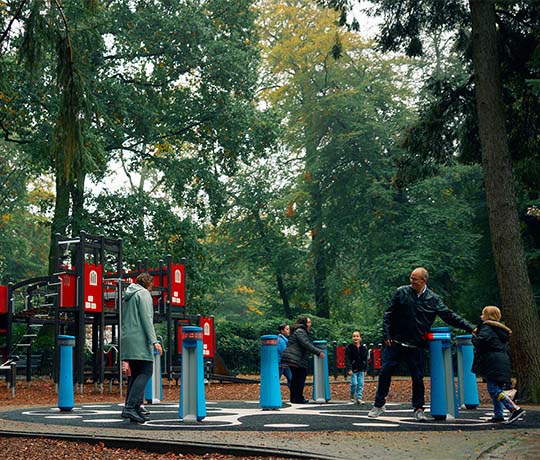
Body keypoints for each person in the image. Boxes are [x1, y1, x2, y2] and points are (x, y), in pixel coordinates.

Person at [368, 267, 475, 421]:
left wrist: (471, 327)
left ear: (424, 281)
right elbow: (388, 314)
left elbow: (449, 316)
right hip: (395, 341)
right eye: (410, 278)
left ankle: (418, 409)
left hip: (416, 344)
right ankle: (378, 404)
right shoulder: (401, 292)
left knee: (417, 377)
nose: (411, 281)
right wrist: (386, 334)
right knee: (386, 370)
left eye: (414, 279)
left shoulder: (433, 299)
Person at [120, 272, 163, 423]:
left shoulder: (128, 295)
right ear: (148, 283)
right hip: (140, 338)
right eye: (152, 285)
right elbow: (147, 318)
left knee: (136, 372)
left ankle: (134, 407)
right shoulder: (143, 294)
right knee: (146, 371)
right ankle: (131, 407)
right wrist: (154, 340)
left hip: (128, 337)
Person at [472, 306, 525, 424]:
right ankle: (498, 414)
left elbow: (481, 342)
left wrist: (474, 336)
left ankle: (514, 408)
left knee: (493, 389)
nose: (481, 316)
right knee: (496, 389)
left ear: (487, 315)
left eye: (483, 313)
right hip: (502, 361)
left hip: (492, 362)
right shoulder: (500, 329)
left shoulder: (487, 327)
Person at [281, 317, 324, 404]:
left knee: (295, 378)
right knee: (300, 378)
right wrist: (318, 352)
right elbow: (306, 344)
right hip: (296, 358)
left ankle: (294, 398)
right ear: (304, 323)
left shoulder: (298, 331)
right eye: (309, 322)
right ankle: (299, 398)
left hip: (292, 357)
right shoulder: (300, 331)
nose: (310, 324)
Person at [345, 331, 368, 404]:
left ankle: (359, 398)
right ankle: (352, 395)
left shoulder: (363, 348)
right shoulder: (349, 347)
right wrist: (349, 369)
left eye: (357, 336)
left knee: (360, 384)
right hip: (353, 369)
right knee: (354, 383)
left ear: (360, 338)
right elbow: (347, 359)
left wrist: (365, 369)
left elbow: (365, 359)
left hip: (361, 369)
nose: (356, 338)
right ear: (352, 338)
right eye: (354, 336)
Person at [277, 323, 292, 388]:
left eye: (289, 329)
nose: (289, 331)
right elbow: (284, 352)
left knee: (291, 379)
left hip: (284, 364)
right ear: (282, 331)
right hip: (281, 364)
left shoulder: (283, 340)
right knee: (276, 380)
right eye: (287, 329)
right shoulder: (281, 340)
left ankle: (294, 396)